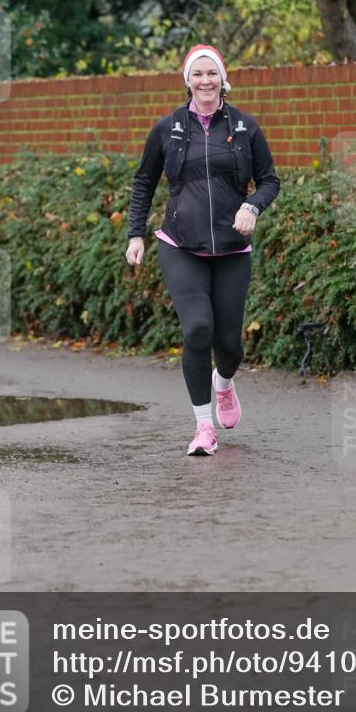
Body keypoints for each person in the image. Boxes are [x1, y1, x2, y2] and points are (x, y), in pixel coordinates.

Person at [126, 44, 280, 456]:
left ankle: (224, 384)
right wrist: (135, 235)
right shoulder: (168, 128)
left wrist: (252, 206)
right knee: (197, 330)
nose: (205, 81)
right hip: (181, 245)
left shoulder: (245, 128)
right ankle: (203, 427)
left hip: (232, 249)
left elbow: (270, 180)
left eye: (212, 73)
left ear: (223, 79)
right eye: (198, 74)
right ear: (187, 81)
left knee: (229, 345)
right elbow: (144, 182)